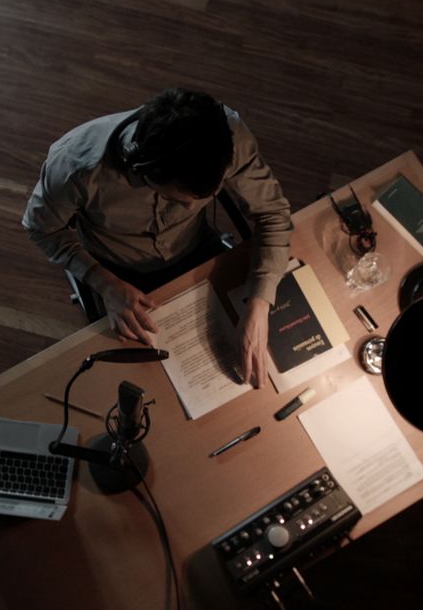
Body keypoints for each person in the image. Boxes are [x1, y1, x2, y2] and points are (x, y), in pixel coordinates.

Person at [22, 88, 293, 389]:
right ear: (144, 171)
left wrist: (258, 306)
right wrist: (103, 283)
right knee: (149, 384)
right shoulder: (75, 165)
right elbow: (40, 228)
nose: (192, 207)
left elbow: (273, 215)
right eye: (176, 199)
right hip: (118, 271)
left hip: (197, 248)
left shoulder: (228, 137)